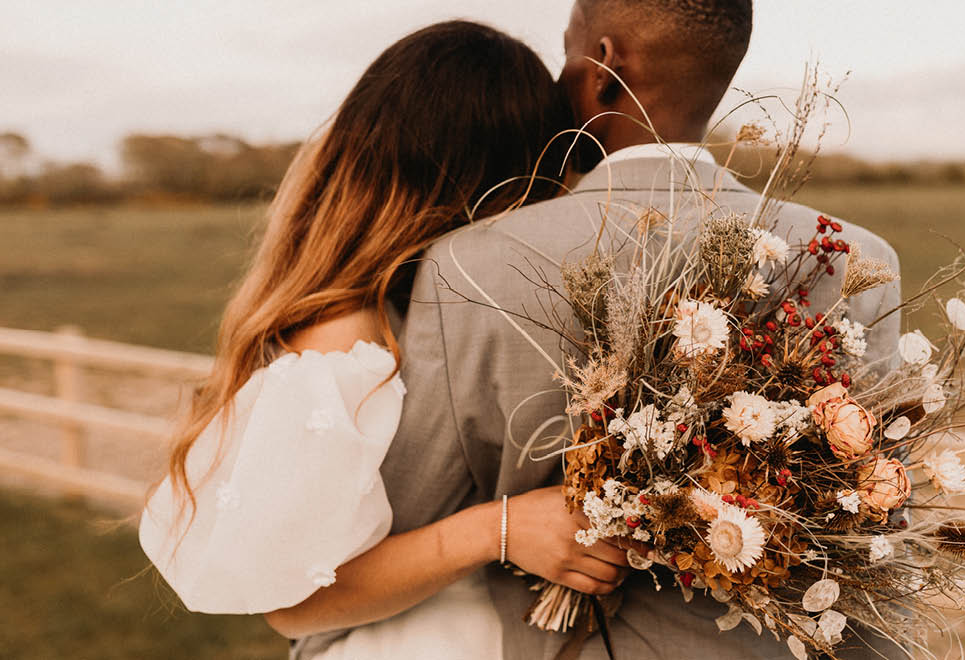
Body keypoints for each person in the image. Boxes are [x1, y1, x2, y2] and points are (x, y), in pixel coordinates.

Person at [315, 1, 906, 659]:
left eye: (568, 59)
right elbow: (876, 503)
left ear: (602, 67)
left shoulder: (471, 264)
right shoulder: (858, 257)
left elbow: (401, 529)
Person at [139, 21, 635, 660]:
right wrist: (499, 529)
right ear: (500, 176)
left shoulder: (435, 309)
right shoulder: (346, 344)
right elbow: (293, 606)